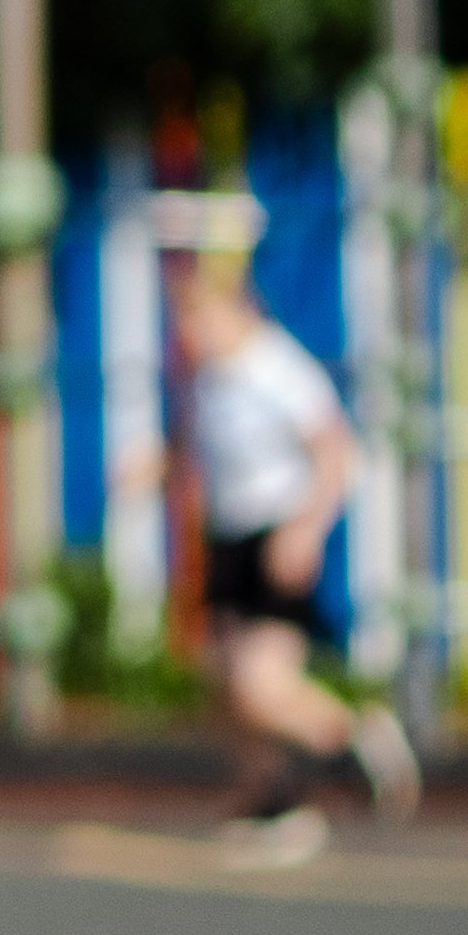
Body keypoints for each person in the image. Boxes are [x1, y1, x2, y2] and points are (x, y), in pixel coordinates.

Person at [170, 252, 419, 858]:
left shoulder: (276, 369)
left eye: (193, 316)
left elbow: (335, 454)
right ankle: (266, 797)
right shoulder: (210, 381)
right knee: (220, 684)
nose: (185, 332)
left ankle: (355, 736)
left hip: (277, 536)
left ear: (230, 309)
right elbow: (197, 451)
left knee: (260, 683)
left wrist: (306, 529)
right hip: (230, 540)